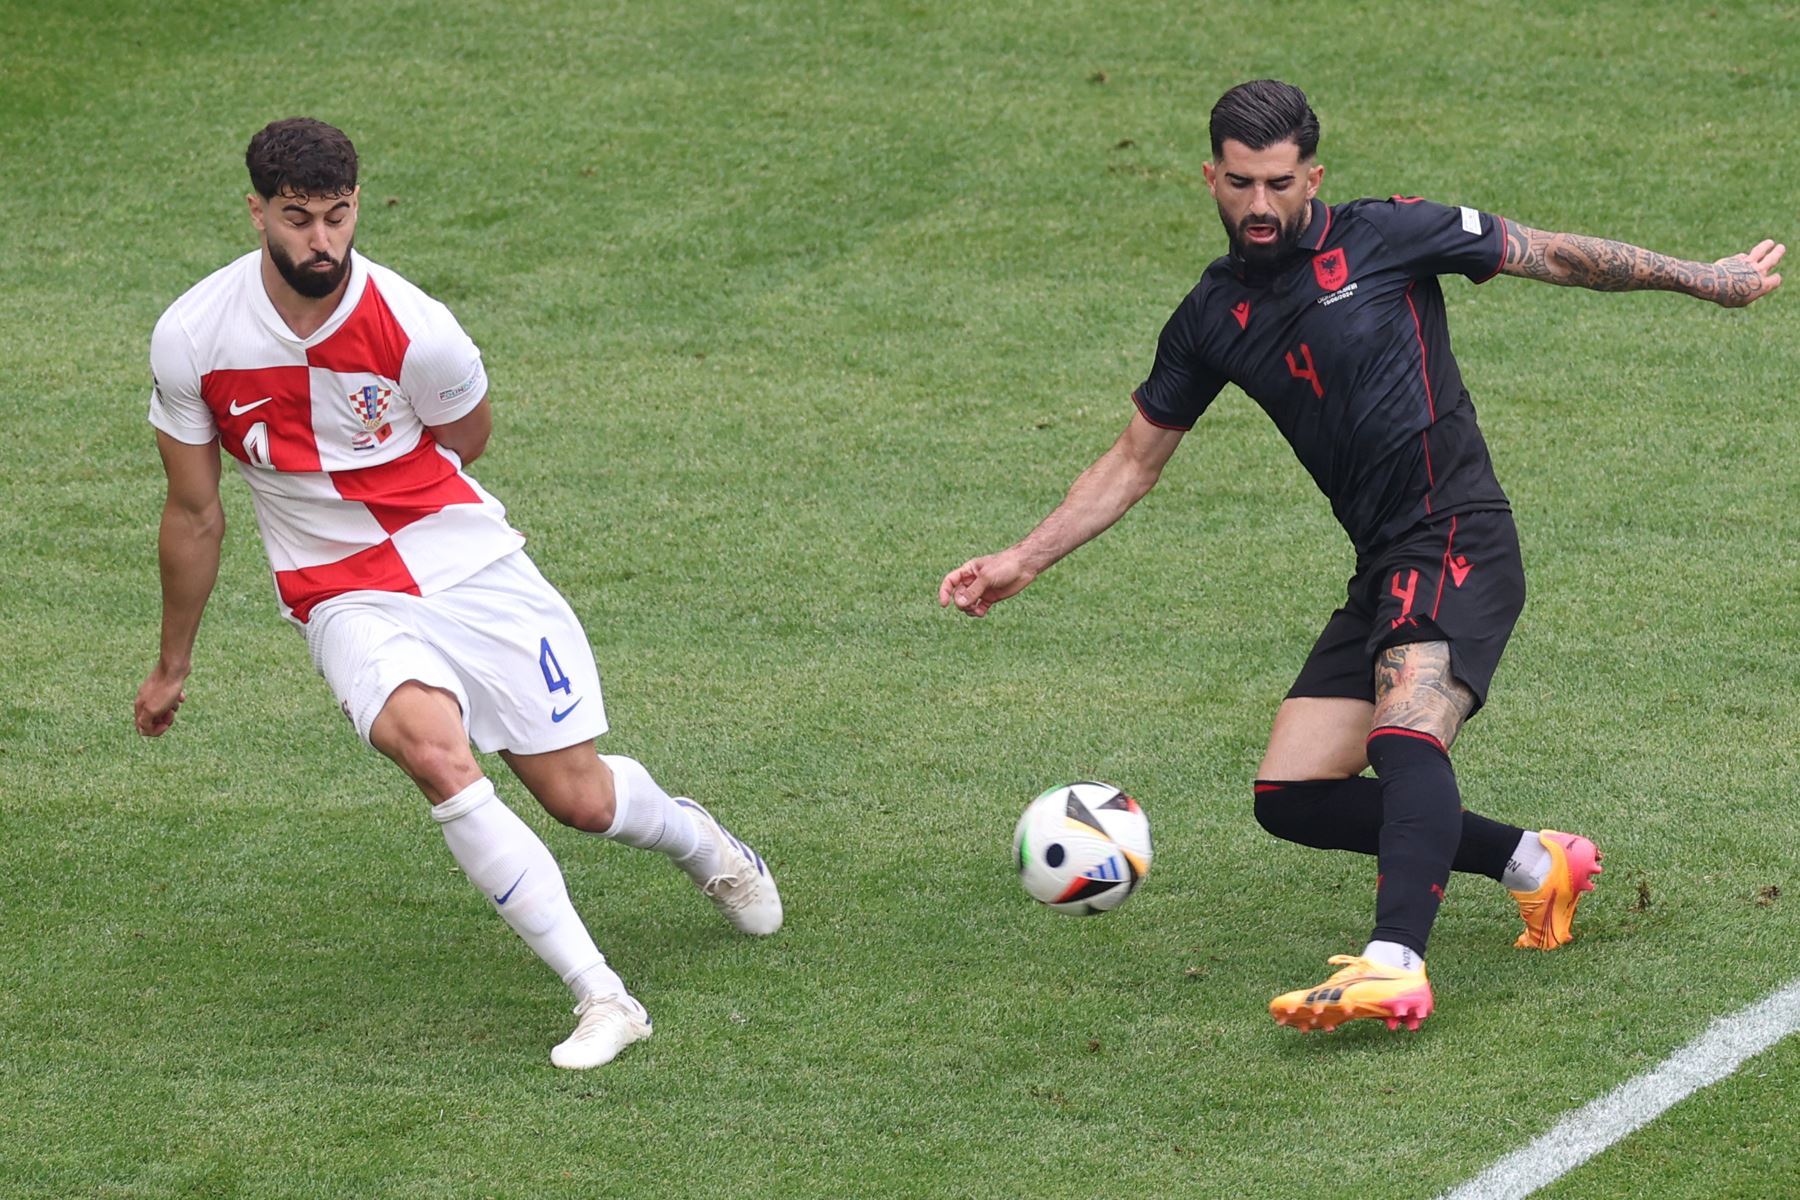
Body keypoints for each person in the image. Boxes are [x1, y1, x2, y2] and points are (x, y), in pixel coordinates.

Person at [938, 80, 1783, 1032]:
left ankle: (1395, 963)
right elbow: (1134, 460)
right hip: (1384, 558)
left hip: (1458, 529)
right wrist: (1025, 558)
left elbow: (1551, 253)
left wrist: (1709, 278)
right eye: (1241, 183)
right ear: (1211, 177)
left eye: (1281, 183)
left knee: (1405, 731)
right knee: (1290, 795)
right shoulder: (1210, 317)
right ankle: (1538, 865)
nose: (1260, 205)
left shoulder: (1390, 234)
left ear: (1315, 177)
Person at [134, 117, 782, 1070]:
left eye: (338, 217)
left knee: (580, 800)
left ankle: (702, 843)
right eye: (298, 219)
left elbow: (465, 438)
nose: (321, 242)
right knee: (436, 757)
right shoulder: (193, 334)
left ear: (359, 205)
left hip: (470, 569)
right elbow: (194, 512)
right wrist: (171, 663)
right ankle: (604, 997)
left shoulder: (417, 327)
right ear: (258, 212)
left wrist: (378, 495)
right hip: (339, 593)